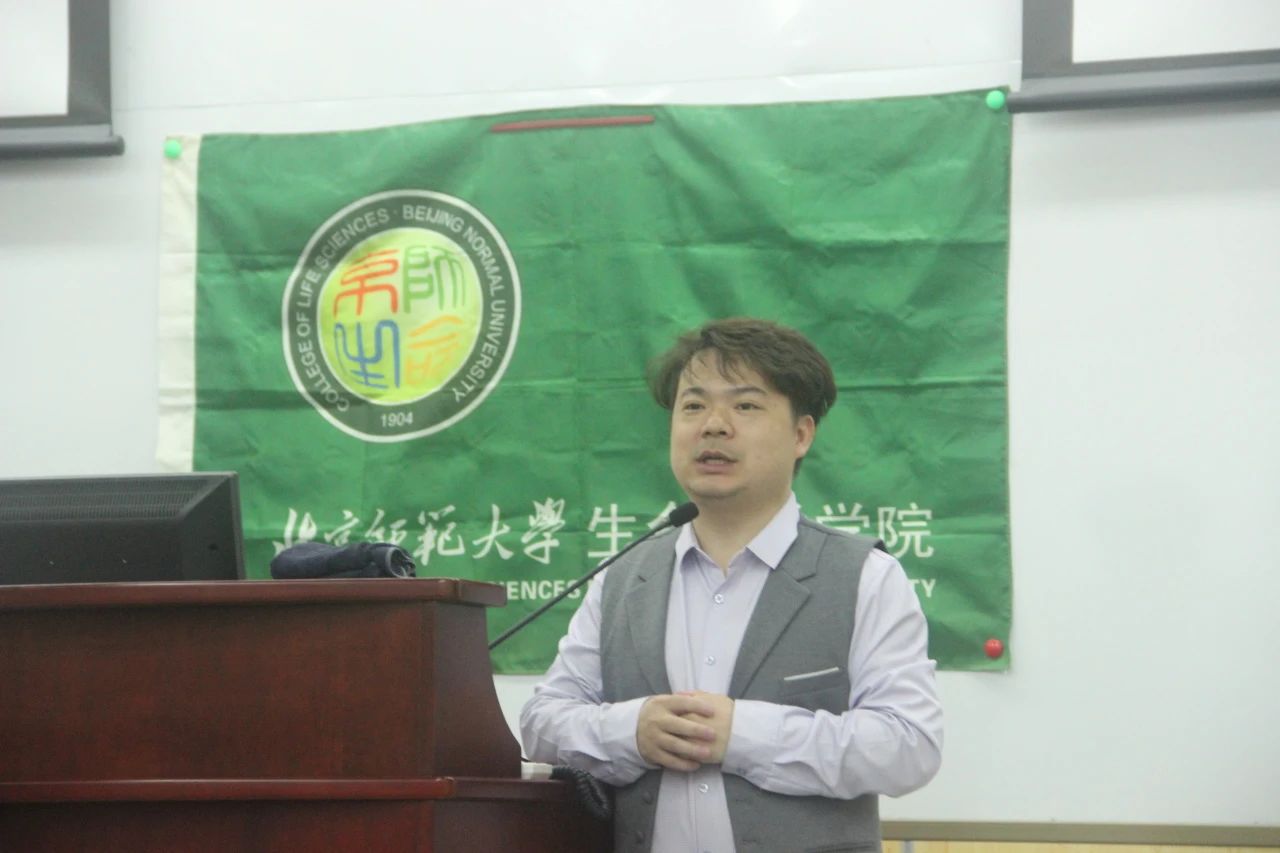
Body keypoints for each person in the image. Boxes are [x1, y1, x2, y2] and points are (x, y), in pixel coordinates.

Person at [520, 317, 942, 853]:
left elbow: (909, 746)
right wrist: (631, 731)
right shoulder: (622, 577)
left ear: (801, 434)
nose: (713, 426)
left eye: (745, 406)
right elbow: (542, 722)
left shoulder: (865, 576)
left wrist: (742, 734)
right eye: (693, 406)